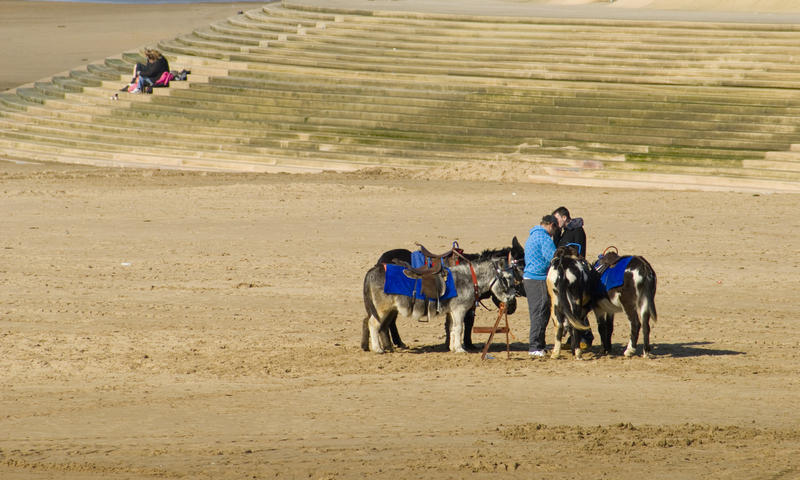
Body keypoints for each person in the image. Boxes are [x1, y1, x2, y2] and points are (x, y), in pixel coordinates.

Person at [552, 206, 594, 349]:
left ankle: (586, 336)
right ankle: (573, 336)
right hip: (565, 269)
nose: (554, 222)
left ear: (564, 218)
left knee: (578, 305)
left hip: (576, 270)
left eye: (556, 218)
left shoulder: (577, 230)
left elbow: (579, 250)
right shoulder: (563, 232)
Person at [523, 214, 558, 357]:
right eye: (555, 229)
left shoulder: (533, 236)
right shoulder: (544, 238)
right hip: (537, 279)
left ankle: (539, 345)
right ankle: (535, 347)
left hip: (530, 278)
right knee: (540, 313)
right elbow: (553, 258)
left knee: (538, 312)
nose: (554, 233)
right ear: (551, 225)